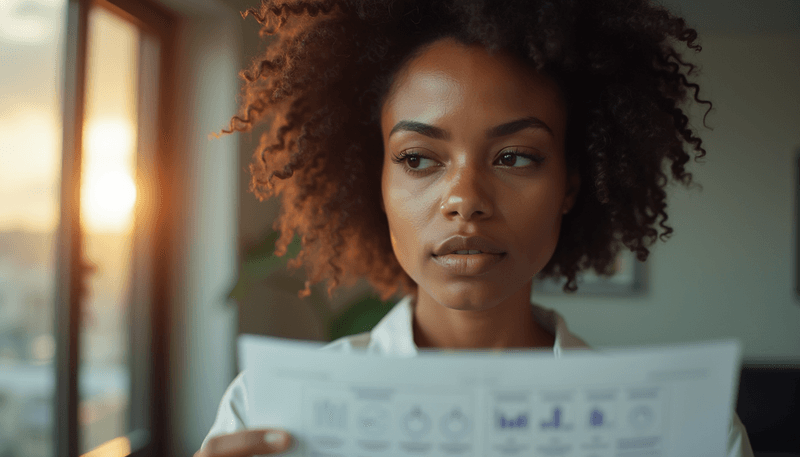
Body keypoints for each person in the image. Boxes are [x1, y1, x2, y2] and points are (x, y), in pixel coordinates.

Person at [196, 0, 754, 455]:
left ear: (570, 186)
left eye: (515, 157)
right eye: (418, 159)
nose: (465, 199)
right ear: (377, 184)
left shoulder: (689, 434)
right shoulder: (267, 412)